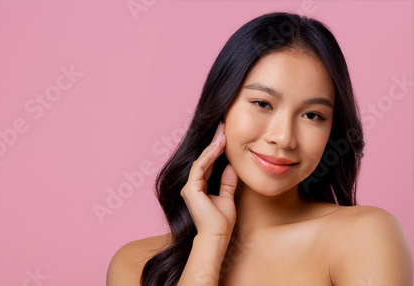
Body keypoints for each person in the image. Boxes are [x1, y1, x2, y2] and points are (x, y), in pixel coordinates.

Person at [106, 12, 413, 285]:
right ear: (221, 107)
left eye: (312, 115)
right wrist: (210, 244)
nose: (284, 138)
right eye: (262, 103)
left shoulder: (365, 237)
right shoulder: (136, 265)